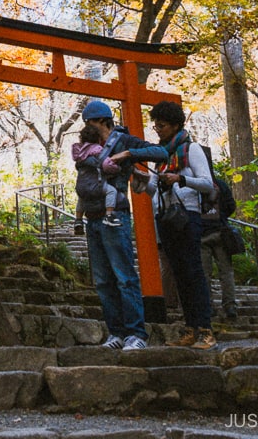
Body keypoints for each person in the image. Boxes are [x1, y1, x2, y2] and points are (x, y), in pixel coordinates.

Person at [115, 100, 217, 350]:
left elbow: (207, 182)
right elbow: (156, 190)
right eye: (155, 125)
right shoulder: (161, 154)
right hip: (165, 218)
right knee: (180, 276)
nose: (157, 129)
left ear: (174, 125)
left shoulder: (189, 149)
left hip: (187, 217)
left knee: (193, 273)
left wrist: (180, 178)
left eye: (161, 125)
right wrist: (144, 180)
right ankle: (190, 329)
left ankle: (206, 330)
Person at [77, 100, 166, 352]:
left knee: (124, 276)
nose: (88, 128)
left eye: (91, 123)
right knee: (103, 280)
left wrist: (129, 155)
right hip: (92, 216)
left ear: (104, 121)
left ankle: (136, 333)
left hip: (116, 215)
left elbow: (161, 153)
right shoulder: (88, 146)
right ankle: (115, 332)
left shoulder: (124, 140)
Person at [200, 171, 239, 321]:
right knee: (226, 271)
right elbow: (231, 205)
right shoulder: (220, 184)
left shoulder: (195, 184)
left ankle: (208, 306)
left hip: (202, 234)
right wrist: (222, 217)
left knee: (204, 273)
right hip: (221, 232)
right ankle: (230, 305)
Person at [71, 122, 123, 230]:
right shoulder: (97, 149)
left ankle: (78, 220)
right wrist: (117, 169)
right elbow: (106, 165)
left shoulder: (79, 152)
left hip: (81, 186)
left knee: (82, 198)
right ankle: (109, 215)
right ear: (98, 138)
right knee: (111, 191)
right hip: (96, 185)